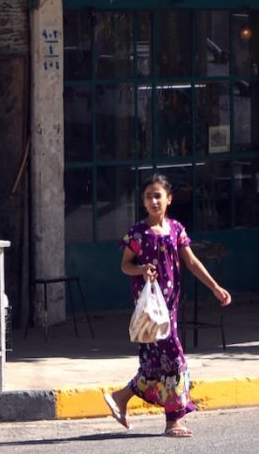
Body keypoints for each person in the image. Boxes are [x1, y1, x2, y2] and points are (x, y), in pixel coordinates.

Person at [102, 173, 231, 438]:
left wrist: (215, 287)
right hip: (150, 308)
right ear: (143, 201)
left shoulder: (176, 230)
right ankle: (173, 421)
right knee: (175, 360)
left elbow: (192, 263)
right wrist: (141, 269)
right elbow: (125, 266)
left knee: (153, 366)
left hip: (170, 307)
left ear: (169, 199)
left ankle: (120, 397)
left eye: (158, 195)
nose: (153, 200)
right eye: (148, 196)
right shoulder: (138, 233)